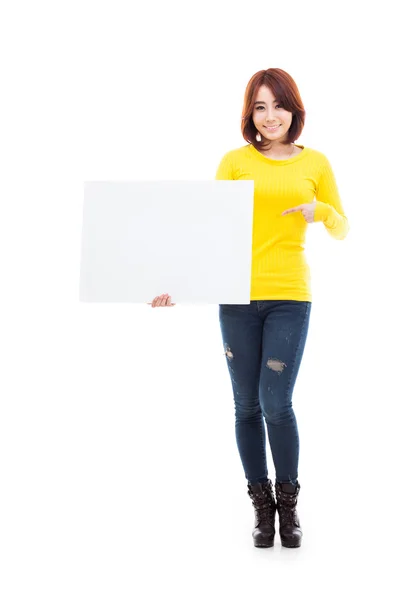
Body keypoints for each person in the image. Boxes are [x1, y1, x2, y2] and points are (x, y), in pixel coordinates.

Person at [148, 68, 349, 549]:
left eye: (278, 105)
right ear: (250, 114)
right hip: (236, 296)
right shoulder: (234, 162)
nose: (270, 115)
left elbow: (342, 226)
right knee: (245, 405)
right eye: (259, 107)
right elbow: (209, 233)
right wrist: (176, 285)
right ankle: (261, 508)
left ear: (293, 110)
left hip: (289, 296)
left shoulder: (315, 163)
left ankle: (289, 504)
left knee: (275, 402)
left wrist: (318, 212)